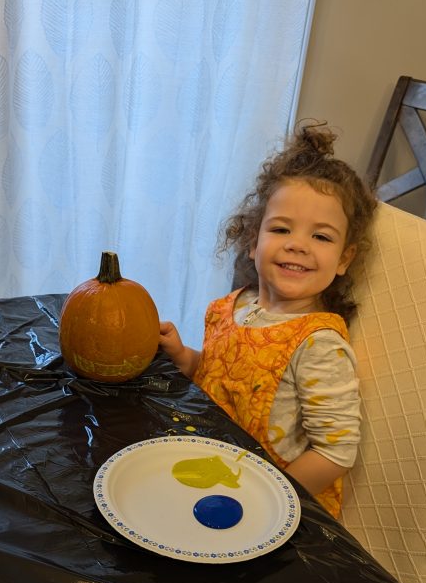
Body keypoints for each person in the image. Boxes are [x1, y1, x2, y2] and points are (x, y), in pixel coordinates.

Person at [159, 124, 376, 519]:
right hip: (208, 471)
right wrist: (183, 356)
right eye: (281, 229)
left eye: (321, 237)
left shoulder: (318, 345)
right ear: (253, 241)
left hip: (271, 506)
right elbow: (217, 378)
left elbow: (336, 451)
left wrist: (269, 499)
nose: (297, 244)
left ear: (344, 259)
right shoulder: (231, 307)